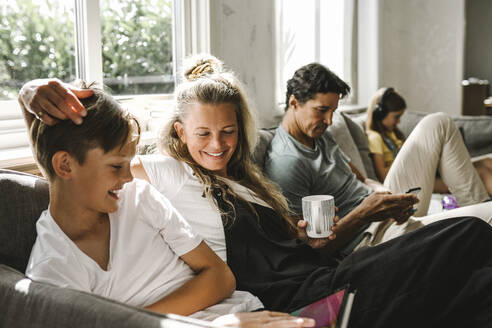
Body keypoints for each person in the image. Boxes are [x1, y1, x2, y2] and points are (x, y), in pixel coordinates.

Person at [19, 55, 492, 328]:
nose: (218, 145)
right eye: (203, 134)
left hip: (326, 271)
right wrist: (30, 94)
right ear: (180, 134)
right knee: (468, 231)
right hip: (298, 294)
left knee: (475, 281)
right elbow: (74, 168)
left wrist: (304, 235)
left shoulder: (245, 180)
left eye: (227, 132)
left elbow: (294, 250)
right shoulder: (161, 175)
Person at [20, 82, 289, 325]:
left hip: (244, 313)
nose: (128, 177)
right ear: (65, 165)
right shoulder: (53, 269)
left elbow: (221, 277)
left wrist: (26, 95)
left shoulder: (139, 198)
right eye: (116, 166)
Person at [264, 62, 492, 253]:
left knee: (439, 123)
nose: (330, 121)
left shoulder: (318, 135)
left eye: (333, 111)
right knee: (489, 216)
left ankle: (476, 214)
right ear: (294, 102)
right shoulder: (286, 163)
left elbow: (361, 178)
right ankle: (480, 225)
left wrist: (381, 193)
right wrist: (365, 214)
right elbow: (310, 249)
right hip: (370, 237)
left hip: (383, 210)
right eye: (322, 110)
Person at [366, 87, 492, 195]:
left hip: (421, 171)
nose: (399, 122)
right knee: (480, 172)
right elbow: (384, 177)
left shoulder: (393, 134)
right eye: (396, 117)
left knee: (486, 162)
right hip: (411, 181)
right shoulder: (375, 137)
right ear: (379, 114)